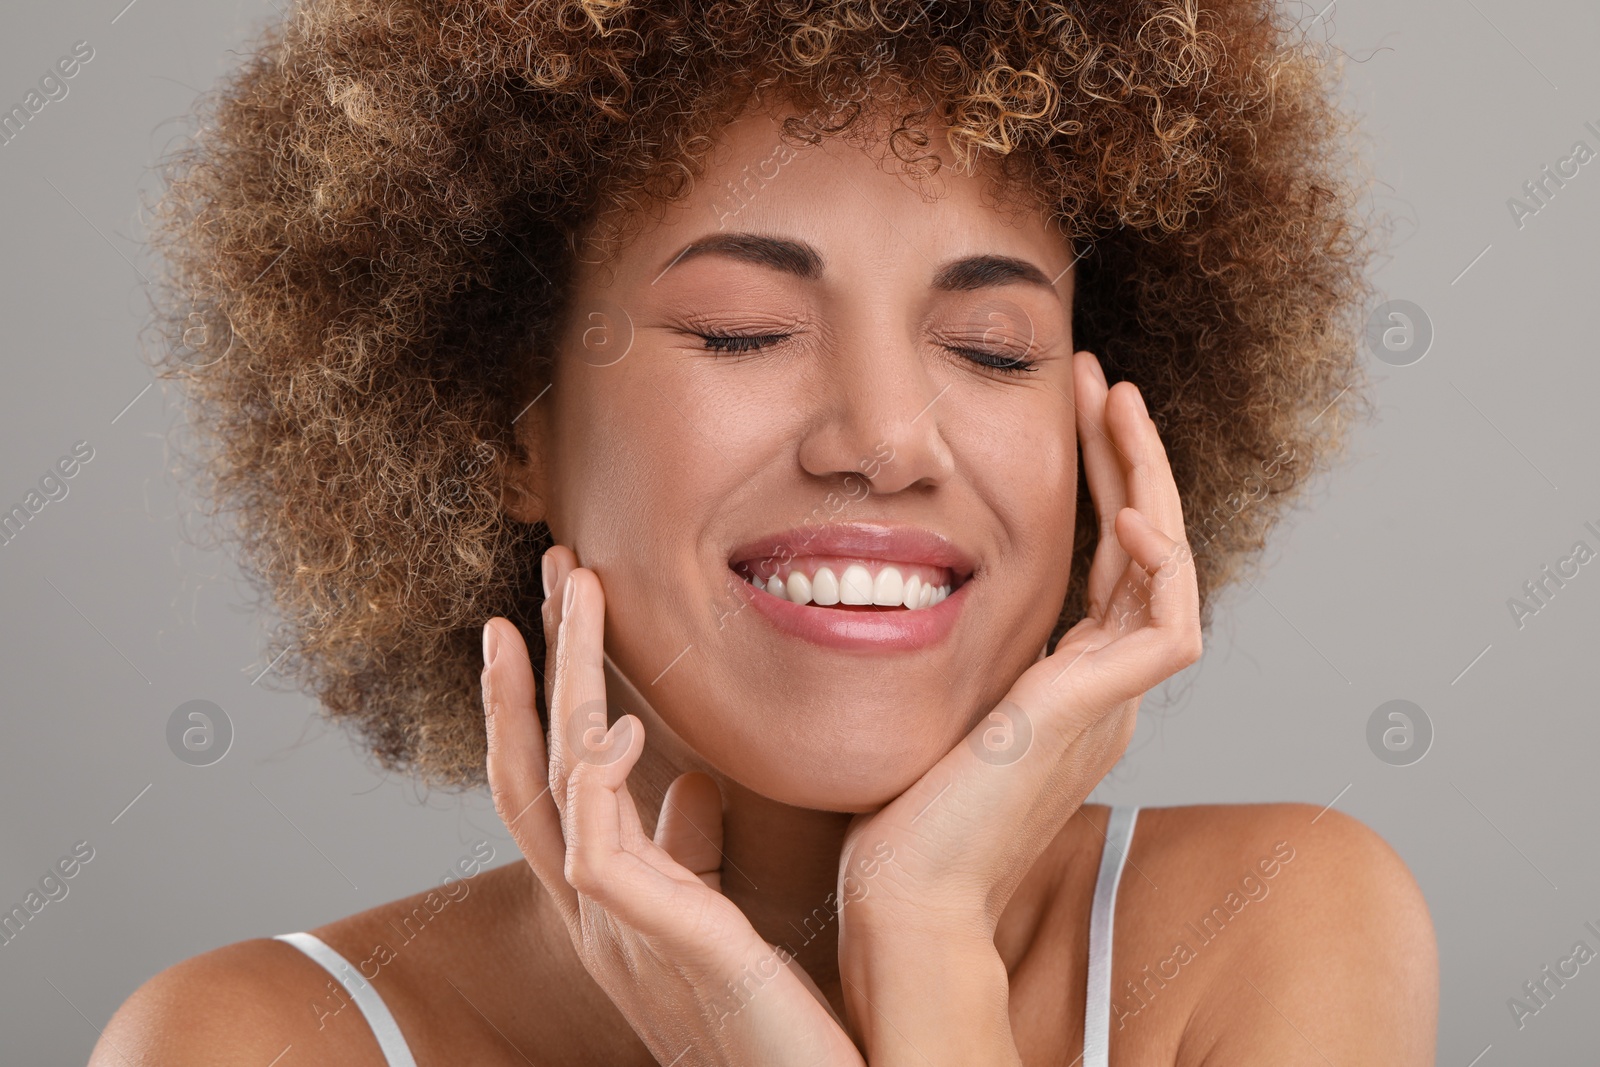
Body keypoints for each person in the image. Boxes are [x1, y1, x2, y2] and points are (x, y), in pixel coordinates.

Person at [96, 1, 1437, 1062]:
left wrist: (920, 949)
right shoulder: (252, 1045)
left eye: (993, 344)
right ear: (508, 423)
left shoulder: (1273, 932)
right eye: (743, 327)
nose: (889, 435)